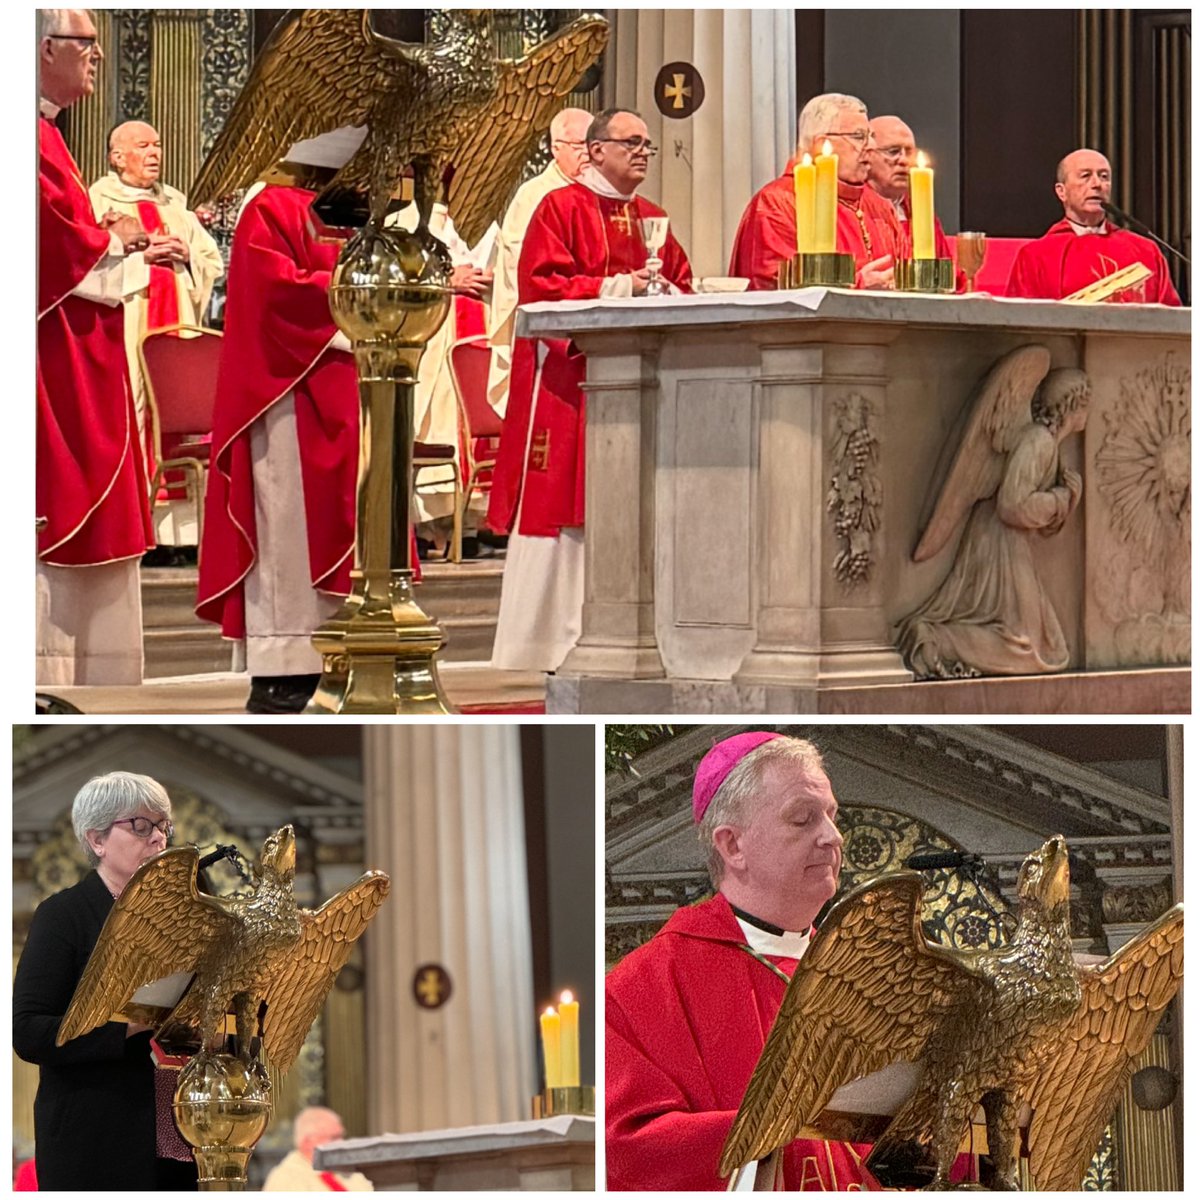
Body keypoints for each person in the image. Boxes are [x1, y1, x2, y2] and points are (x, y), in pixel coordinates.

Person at [606, 732, 884, 1190]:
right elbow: (628, 1153)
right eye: (803, 819)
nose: (833, 837)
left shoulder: (870, 975)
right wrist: (770, 1131)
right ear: (733, 846)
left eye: (833, 817)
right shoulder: (643, 987)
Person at [487, 107, 691, 671]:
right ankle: (552, 644)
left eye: (648, 143)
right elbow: (540, 288)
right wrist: (617, 286)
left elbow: (681, 282)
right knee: (566, 506)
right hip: (569, 384)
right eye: (631, 142)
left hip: (642, 388)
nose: (644, 152)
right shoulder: (560, 208)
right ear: (595, 150)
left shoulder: (654, 216)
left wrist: (666, 293)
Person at [195, 131, 365, 715]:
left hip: (357, 384)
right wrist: (355, 294)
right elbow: (271, 293)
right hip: (289, 391)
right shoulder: (270, 205)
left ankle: (345, 655)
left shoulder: (355, 207)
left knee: (350, 519)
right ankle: (286, 664)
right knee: (288, 526)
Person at [37, 9, 154, 686]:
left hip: (78, 350)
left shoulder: (46, 133)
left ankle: (89, 675)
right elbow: (53, 246)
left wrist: (112, 235)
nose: (99, 56)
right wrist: (118, 237)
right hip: (53, 360)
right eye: (86, 43)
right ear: (46, 47)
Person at [13, 772, 198, 1190]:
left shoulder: (175, 918)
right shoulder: (64, 916)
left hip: (174, 1131)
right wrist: (131, 1023)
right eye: (140, 826)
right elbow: (28, 1031)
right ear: (97, 840)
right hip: (96, 1137)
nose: (158, 839)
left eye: (163, 826)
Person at [89, 120, 225, 548]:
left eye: (158, 144)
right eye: (143, 146)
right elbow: (88, 256)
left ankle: (179, 535)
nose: (154, 153)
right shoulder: (98, 199)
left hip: (176, 318)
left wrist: (185, 254)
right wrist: (140, 253)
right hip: (129, 321)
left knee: (178, 414)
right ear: (117, 157)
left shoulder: (177, 205)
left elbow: (210, 260)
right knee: (131, 409)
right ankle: (132, 525)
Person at [729, 93, 902, 291]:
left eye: (871, 137)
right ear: (821, 145)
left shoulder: (879, 206)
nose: (871, 147)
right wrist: (858, 285)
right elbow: (770, 287)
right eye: (859, 136)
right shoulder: (777, 203)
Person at [487, 107, 592, 416]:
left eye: (592, 145)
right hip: (544, 327)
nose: (587, 153)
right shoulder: (533, 195)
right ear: (556, 147)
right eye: (578, 146)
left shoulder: (593, 192)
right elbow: (527, 262)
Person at [1005, 149, 1181, 304]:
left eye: (1104, 177)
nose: (1097, 184)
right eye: (1085, 176)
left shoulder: (1145, 251)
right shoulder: (1036, 256)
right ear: (1061, 191)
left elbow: (1170, 321)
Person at [866, 114, 962, 287]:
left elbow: (948, 278)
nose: (903, 160)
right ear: (868, 155)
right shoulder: (856, 209)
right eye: (893, 151)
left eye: (909, 152)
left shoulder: (920, 211)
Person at [263, 1106, 372, 1192]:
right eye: (334, 1137)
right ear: (308, 1142)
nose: (341, 1143)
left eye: (341, 1136)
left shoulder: (349, 1171)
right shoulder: (285, 1179)